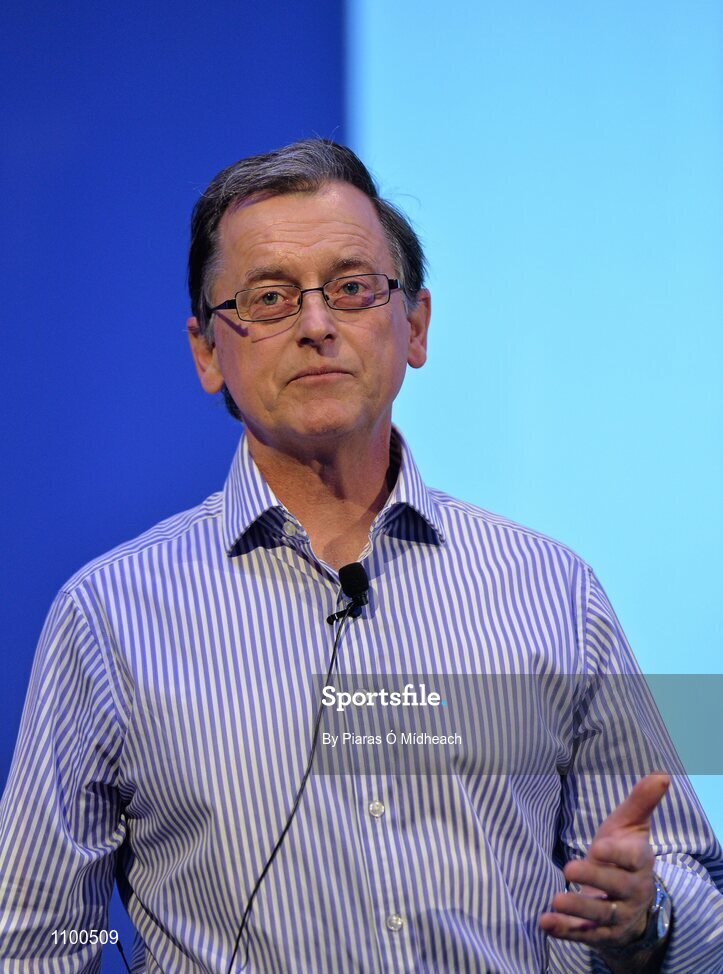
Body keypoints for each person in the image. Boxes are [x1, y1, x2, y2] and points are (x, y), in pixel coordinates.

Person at [0, 139, 721, 974]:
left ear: (412, 325)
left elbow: (687, 884)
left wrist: (648, 918)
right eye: (269, 298)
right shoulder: (110, 616)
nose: (316, 326)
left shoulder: (549, 588)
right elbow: (39, 935)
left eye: (350, 288)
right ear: (207, 353)